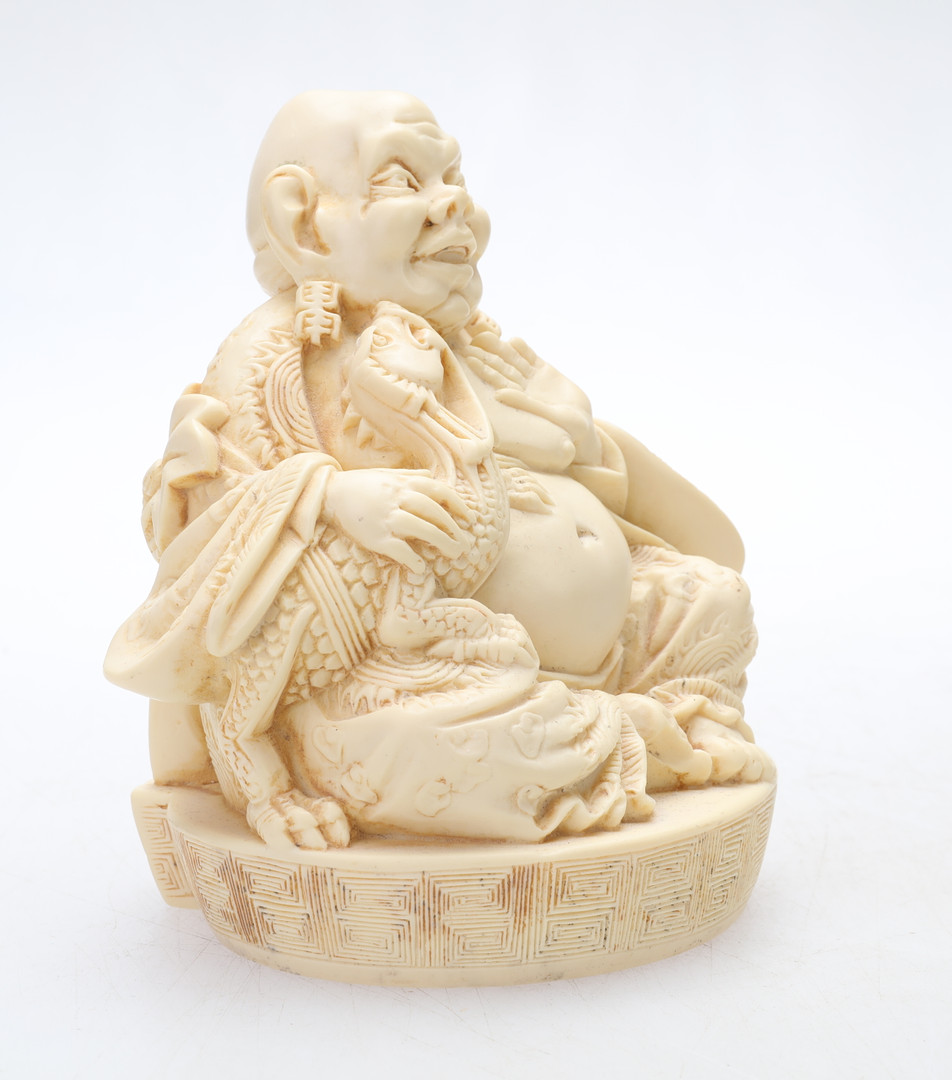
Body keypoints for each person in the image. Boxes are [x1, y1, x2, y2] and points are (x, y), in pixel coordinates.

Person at [106, 91, 772, 850]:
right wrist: (331, 495)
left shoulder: (474, 346)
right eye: (401, 180)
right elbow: (207, 530)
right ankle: (625, 741)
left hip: (585, 652)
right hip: (416, 683)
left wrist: (587, 439)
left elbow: (717, 547)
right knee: (428, 744)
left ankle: (636, 725)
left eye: (454, 177)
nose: (452, 202)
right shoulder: (276, 357)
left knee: (712, 598)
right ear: (304, 222)